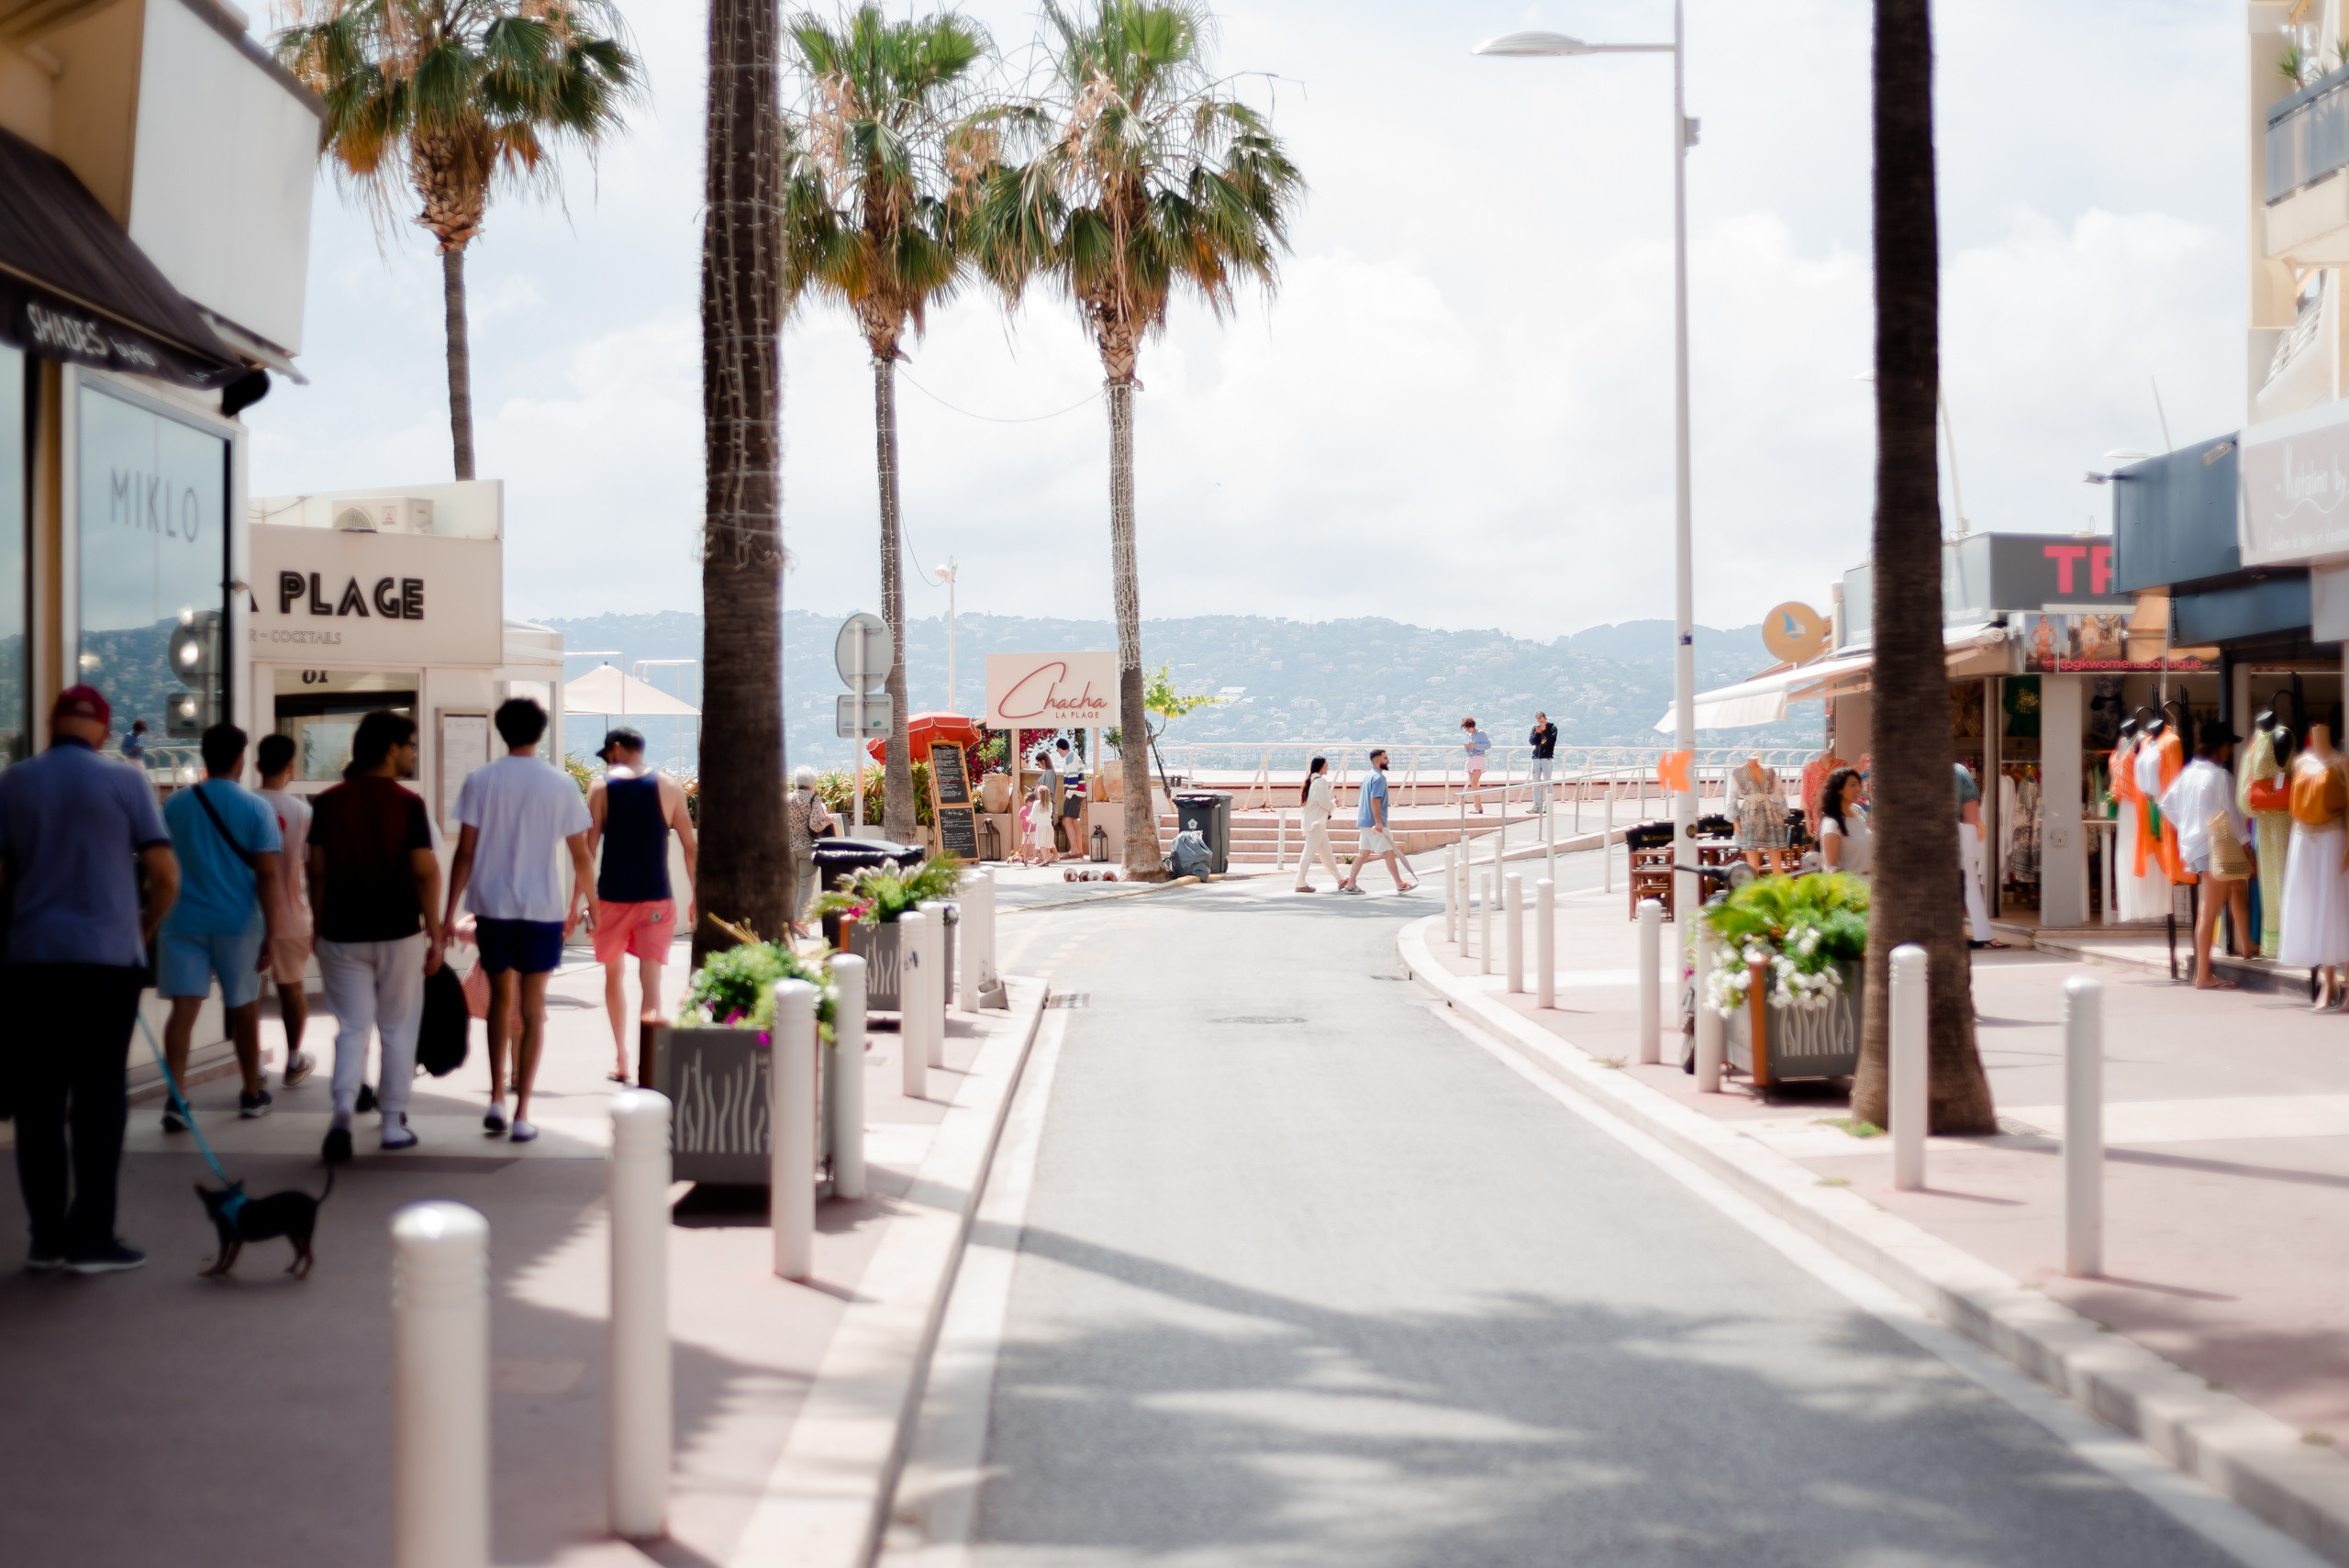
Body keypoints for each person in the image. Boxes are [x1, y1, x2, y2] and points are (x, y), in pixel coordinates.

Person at [0, 685, 179, 1273]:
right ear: (103, 729)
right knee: (100, 1099)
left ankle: (46, 1236)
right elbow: (164, 873)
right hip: (106, 960)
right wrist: (144, 926)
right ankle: (93, 1238)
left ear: (52, 724)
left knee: (39, 1102)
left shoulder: (15, 782)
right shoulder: (126, 781)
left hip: (32, 961)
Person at [444, 698, 594, 1142]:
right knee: (531, 1008)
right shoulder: (560, 783)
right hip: (541, 909)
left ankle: (494, 1098)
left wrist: (447, 911)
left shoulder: (480, 780)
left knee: (498, 1003)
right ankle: (523, 1111)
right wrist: (592, 906)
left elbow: (465, 852)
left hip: (492, 906)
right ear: (541, 732)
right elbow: (580, 853)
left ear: (500, 730)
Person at [309, 710, 444, 1161]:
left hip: (341, 932)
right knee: (397, 1027)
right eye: (410, 745)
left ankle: (344, 1111)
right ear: (391, 748)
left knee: (350, 1027)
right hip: (398, 931)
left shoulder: (327, 803)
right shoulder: (408, 804)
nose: (413, 753)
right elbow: (424, 873)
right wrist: (436, 931)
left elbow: (319, 872)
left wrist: (318, 924)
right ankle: (391, 1122)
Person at [158, 723, 284, 1126]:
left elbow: (158, 864)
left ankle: (176, 1101)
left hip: (180, 921)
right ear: (238, 759)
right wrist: (274, 932)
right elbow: (266, 874)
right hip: (238, 922)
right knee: (244, 1009)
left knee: (183, 1012)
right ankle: (250, 1092)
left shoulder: (175, 805)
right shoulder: (255, 808)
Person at [587, 728, 697, 1084]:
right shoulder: (670, 786)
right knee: (651, 981)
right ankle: (650, 1062)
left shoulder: (601, 787)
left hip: (611, 898)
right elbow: (690, 847)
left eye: (608, 754)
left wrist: (579, 901)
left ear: (617, 748)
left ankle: (621, 1059)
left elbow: (587, 851)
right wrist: (697, 894)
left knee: (613, 975)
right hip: (656, 897)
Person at [2162, 717, 2256, 991]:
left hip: (2196, 846)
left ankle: (2246, 944)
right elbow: (2235, 817)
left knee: (2235, 888)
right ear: (2220, 746)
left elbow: (2166, 804)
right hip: (2216, 846)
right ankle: (2203, 974)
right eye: (2228, 745)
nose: (2230, 751)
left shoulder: (2189, 773)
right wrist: (2247, 845)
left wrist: (2188, 826)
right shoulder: (2220, 776)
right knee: (2209, 911)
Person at [254, 733, 317, 1088]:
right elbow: (311, 868)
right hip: (293, 914)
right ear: (291, 768)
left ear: (258, 765)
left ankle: (255, 1067)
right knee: (292, 990)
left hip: (248, 916)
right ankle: (294, 1060)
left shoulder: (246, 804)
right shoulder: (303, 812)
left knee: (248, 993)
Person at [1339, 748, 1417, 895]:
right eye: (1385, 758)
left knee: (1363, 853)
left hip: (1364, 821)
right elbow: (1375, 799)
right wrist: (1379, 822)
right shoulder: (1379, 778)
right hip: (1374, 823)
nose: (1388, 761)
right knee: (1388, 853)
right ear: (1377, 761)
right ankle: (1400, 884)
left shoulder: (1368, 776)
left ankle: (1350, 884)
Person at [1954, 762, 2005, 949]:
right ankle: (1983, 933)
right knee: (1970, 884)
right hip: (1960, 834)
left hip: (1929, 836)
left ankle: (1971, 932)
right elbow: (1970, 810)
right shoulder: (1959, 772)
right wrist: (1977, 823)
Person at [785, 764, 835, 927]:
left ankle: (793, 920)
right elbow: (815, 826)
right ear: (812, 783)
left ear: (796, 782)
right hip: (807, 847)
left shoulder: (787, 798)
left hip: (789, 847)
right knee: (806, 884)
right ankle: (800, 921)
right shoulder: (814, 799)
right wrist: (827, 821)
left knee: (794, 883)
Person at [1294, 756, 1344, 893]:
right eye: (1326, 765)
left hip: (1315, 823)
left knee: (1326, 853)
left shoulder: (1313, 781)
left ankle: (1340, 879)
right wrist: (1334, 803)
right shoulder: (1320, 782)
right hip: (1316, 823)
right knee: (1309, 852)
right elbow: (1325, 803)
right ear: (1320, 767)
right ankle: (1300, 882)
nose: (1327, 768)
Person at [1816, 766, 1871, 877]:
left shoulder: (1858, 811)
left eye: (1858, 784)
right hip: (1853, 888)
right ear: (1839, 789)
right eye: (1852, 785)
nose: (1858, 789)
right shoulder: (1832, 824)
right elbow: (1832, 869)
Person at [1031, 751, 1063, 864]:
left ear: (1043, 761)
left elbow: (1048, 791)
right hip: (1045, 806)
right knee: (1047, 834)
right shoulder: (1048, 773)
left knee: (1045, 835)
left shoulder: (1049, 774)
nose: (1038, 766)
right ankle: (1053, 854)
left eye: (1038, 763)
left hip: (1045, 808)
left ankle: (1051, 855)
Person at [1527, 712, 1558, 808]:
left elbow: (1551, 741)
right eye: (1538, 718)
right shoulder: (1535, 728)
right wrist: (1537, 733)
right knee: (1536, 782)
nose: (1540, 720)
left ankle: (1547, 806)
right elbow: (1532, 742)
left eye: (1541, 718)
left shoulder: (1553, 728)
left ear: (1545, 718)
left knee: (1547, 781)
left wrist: (1545, 731)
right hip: (1536, 757)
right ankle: (1537, 805)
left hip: (1547, 758)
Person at [1460, 717, 1490, 813]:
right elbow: (1471, 746)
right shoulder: (1468, 735)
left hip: (1478, 758)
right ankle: (1477, 806)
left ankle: (1478, 806)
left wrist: (1475, 745)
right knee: (1473, 783)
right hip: (1471, 758)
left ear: (1472, 726)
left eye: (1467, 728)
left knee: (1474, 782)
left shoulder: (1481, 733)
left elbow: (1488, 745)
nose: (1467, 730)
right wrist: (1468, 747)